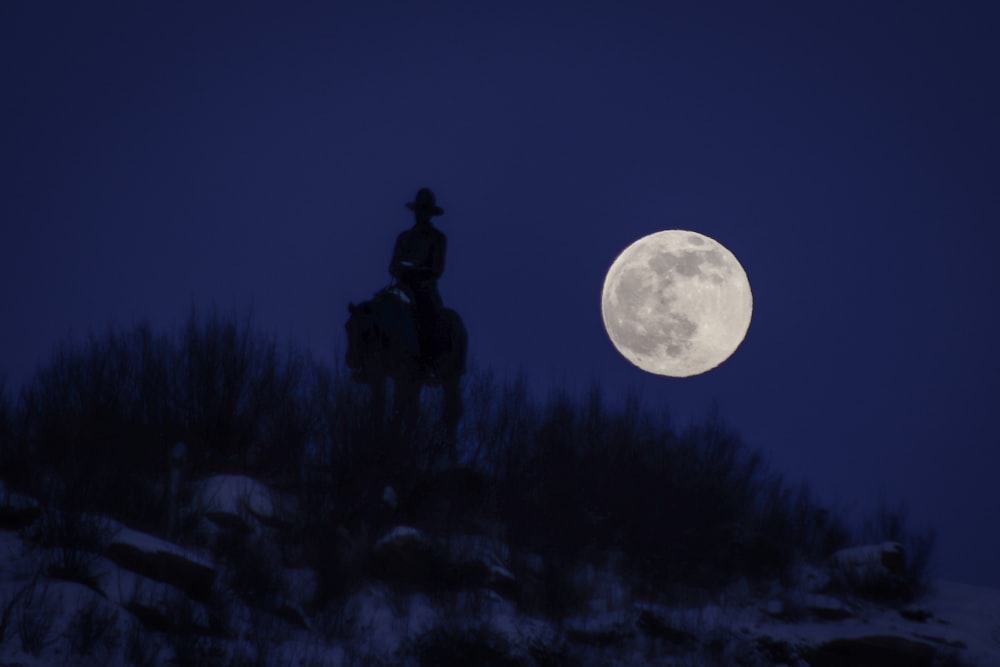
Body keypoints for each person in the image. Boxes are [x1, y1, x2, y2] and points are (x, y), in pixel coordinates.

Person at [389, 187, 448, 375]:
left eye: (424, 210)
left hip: (424, 288)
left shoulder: (438, 239)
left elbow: (437, 268)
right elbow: (393, 265)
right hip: (402, 285)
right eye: (419, 210)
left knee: (428, 315)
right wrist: (402, 272)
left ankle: (430, 361)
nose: (420, 214)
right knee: (378, 307)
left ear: (430, 213)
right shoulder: (403, 238)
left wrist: (420, 274)